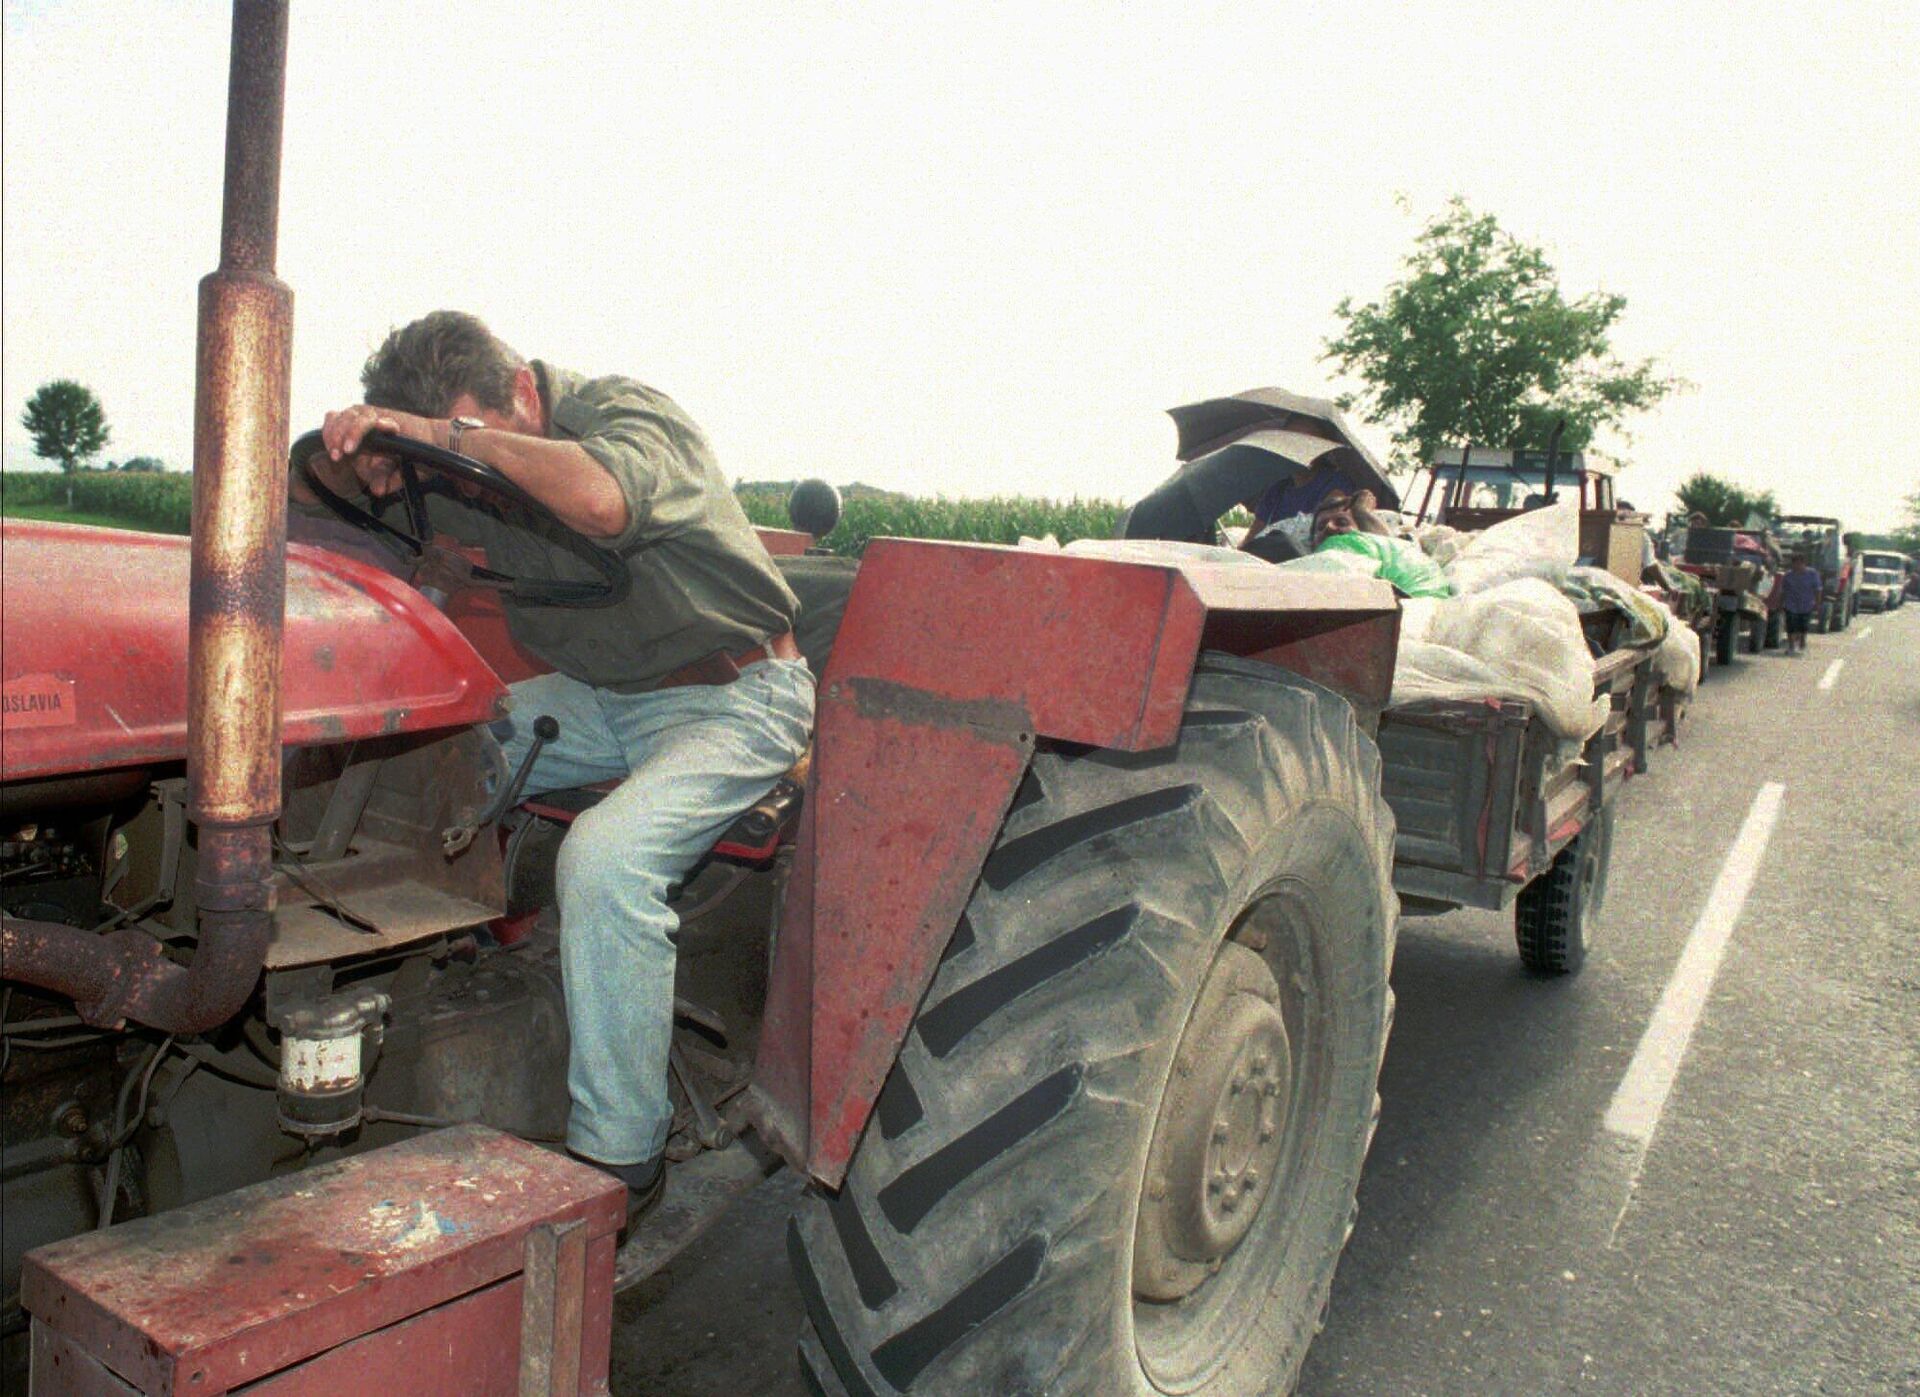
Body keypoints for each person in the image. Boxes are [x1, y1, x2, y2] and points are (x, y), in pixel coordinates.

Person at [304, 312, 813, 1215]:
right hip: (600, 694)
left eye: (480, 430)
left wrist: (450, 440)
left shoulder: (625, 415)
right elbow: (303, 495)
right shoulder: (456, 466)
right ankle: (410, 989)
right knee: (425, 754)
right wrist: (342, 459)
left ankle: (622, 1158)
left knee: (606, 859)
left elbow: (603, 504)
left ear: (525, 397)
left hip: (738, 694)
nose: (464, 456)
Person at [1305, 489, 1453, 598]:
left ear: (1363, 532)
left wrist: (1362, 512)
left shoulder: (1349, 543)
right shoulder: (1399, 552)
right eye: (1321, 526)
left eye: (1342, 522)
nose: (1330, 527)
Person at [1776, 552, 1822, 655]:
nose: (1796, 566)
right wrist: (1780, 604)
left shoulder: (1812, 574)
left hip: (1806, 604)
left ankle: (1802, 640)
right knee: (1791, 624)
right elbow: (1783, 591)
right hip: (1791, 604)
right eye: (1794, 564)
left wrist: (1817, 603)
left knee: (1803, 625)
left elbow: (1818, 589)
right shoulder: (1788, 575)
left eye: (1798, 564)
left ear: (1803, 563)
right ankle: (1791, 646)